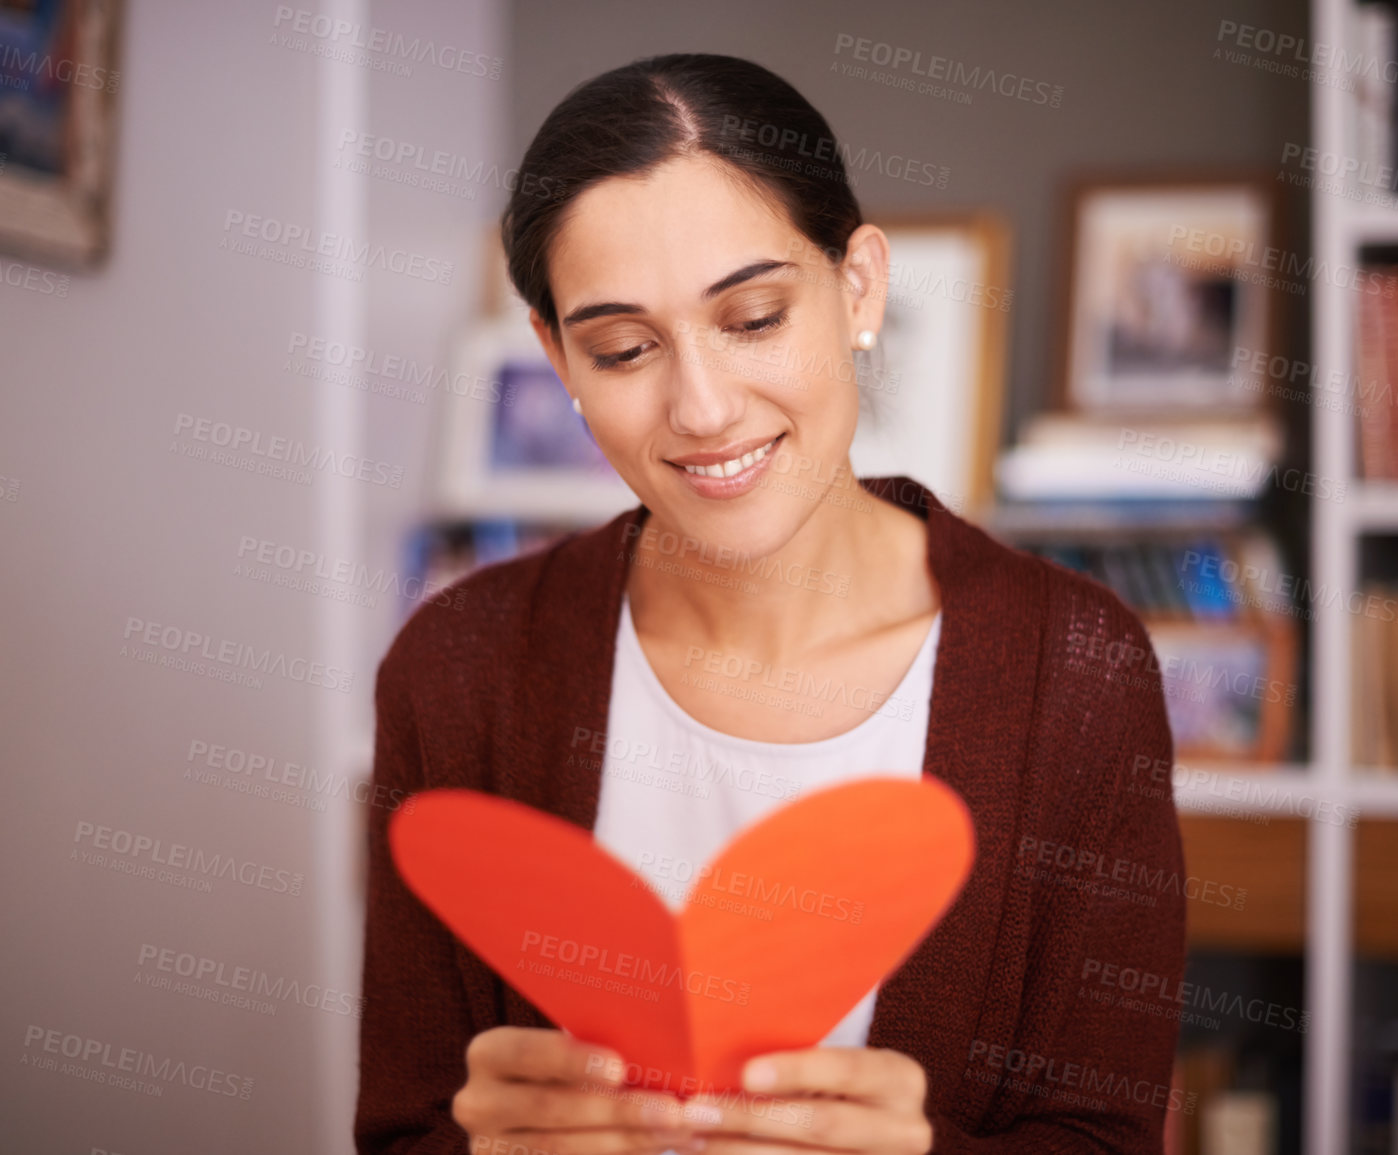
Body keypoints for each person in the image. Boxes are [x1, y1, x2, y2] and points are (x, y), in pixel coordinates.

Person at [355, 53, 1184, 1155]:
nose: (701, 408)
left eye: (751, 319)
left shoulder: (1075, 670)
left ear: (859, 290)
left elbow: (1106, 1138)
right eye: (622, 348)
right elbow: (406, 1129)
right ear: (556, 355)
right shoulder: (457, 668)